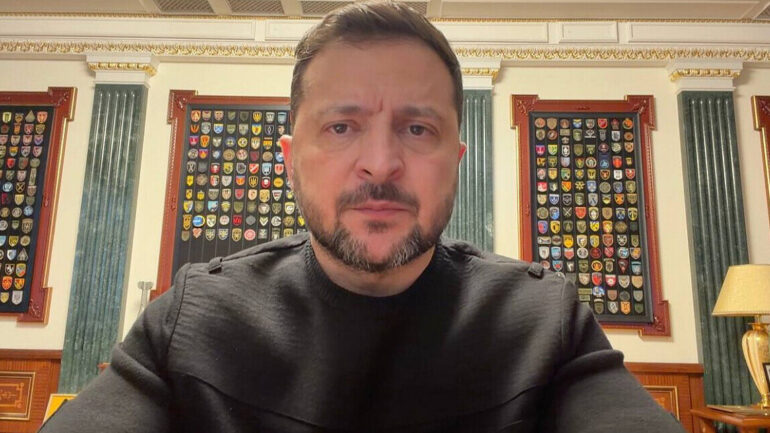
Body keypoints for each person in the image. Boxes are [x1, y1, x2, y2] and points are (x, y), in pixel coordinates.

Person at [41, 2, 685, 432]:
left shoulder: (544, 320)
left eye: (417, 128)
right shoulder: (194, 317)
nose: (380, 164)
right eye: (342, 126)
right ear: (291, 159)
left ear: (456, 161)